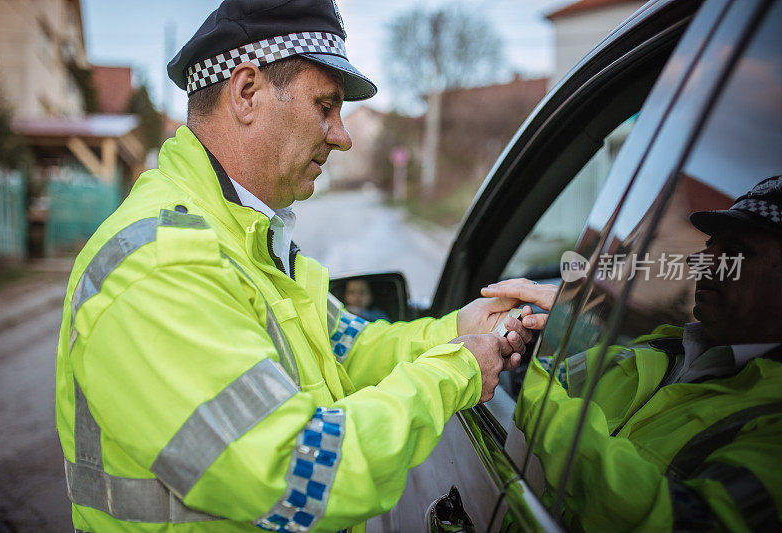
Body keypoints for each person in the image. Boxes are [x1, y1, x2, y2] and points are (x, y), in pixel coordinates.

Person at [54, 1, 534, 531]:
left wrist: (458, 330)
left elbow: (350, 352)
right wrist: (457, 372)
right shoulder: (158, 265)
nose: (342, 135)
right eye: (324, 106)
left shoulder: (247, 238)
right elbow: (298, 474)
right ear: (246, 92)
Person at [482, 176, 782, 530]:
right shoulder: (662, 349)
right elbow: (555, 373)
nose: (703, 259)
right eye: (712, 244)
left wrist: (538, 396)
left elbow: (680, 522)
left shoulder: (771, 423)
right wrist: (534, 340)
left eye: (737, 250)